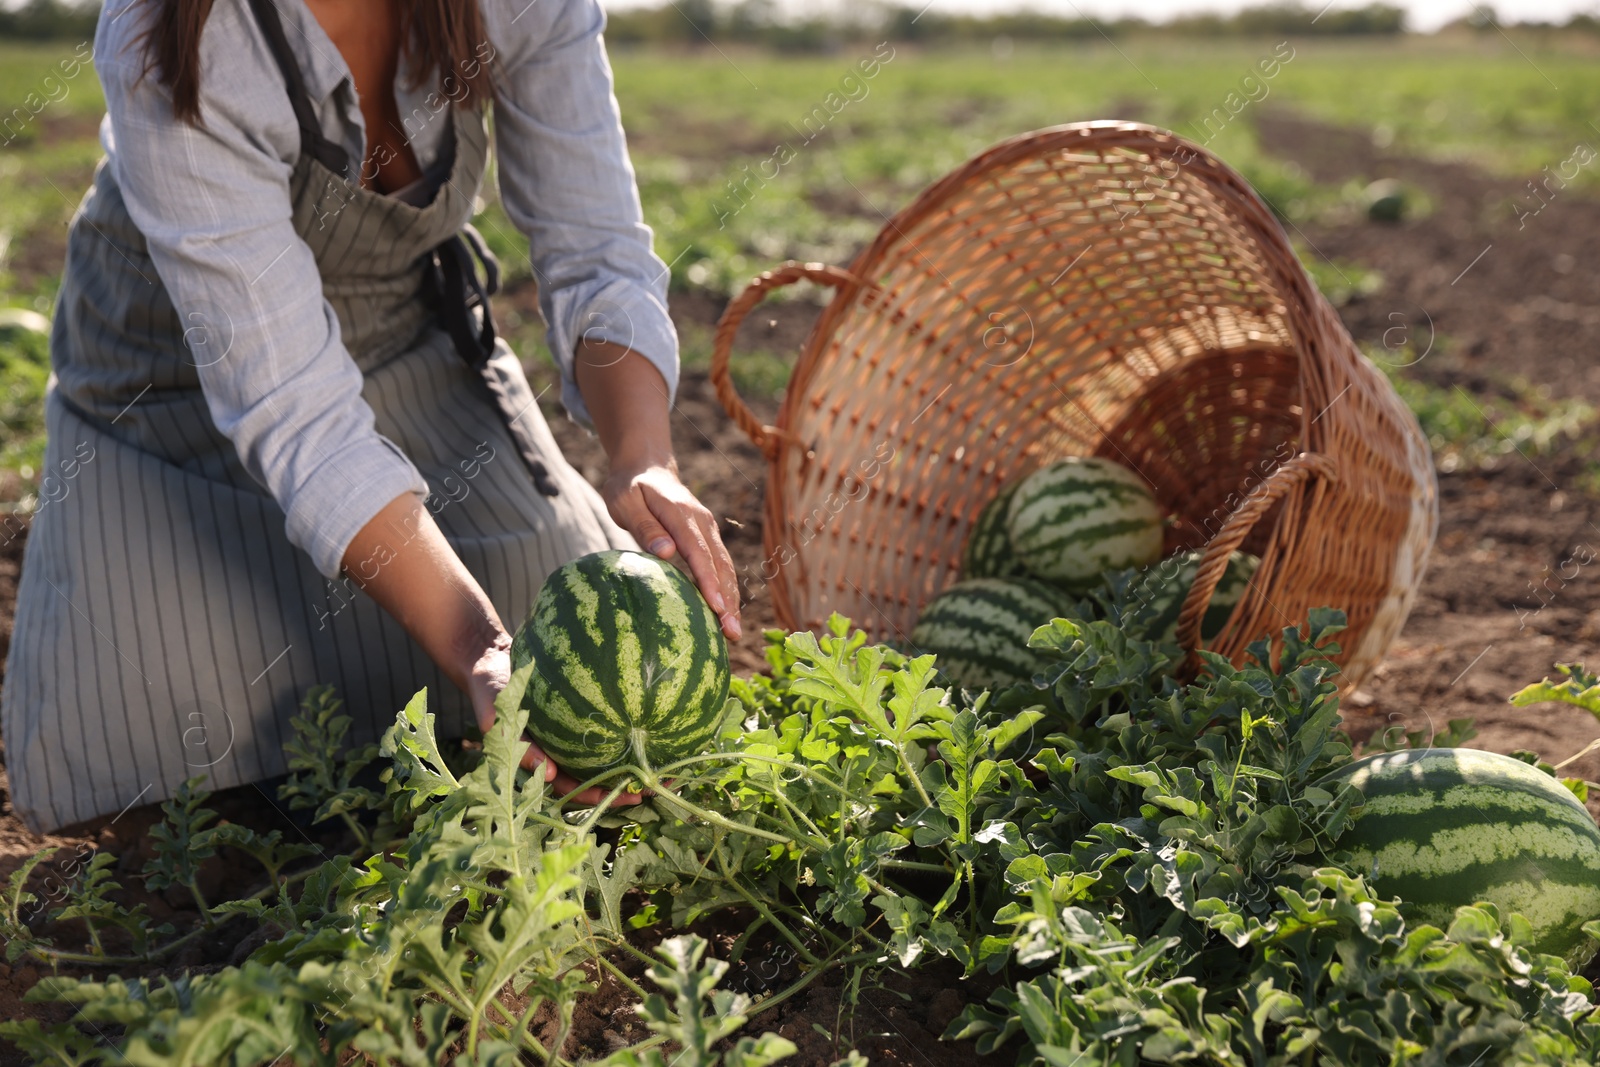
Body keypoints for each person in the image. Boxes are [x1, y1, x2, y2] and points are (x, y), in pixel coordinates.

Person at [0, 0, 742, 835]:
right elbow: (295, 410)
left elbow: (596, 249)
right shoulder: (170, 31)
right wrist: (478, 644)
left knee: (551, 600)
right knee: (155, 723)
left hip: (398, 336)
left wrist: (643, 455)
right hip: (171, 373)